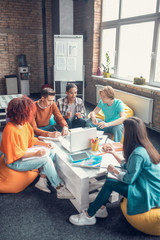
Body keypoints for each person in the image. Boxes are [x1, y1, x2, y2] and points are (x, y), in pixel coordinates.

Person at [69, 117, 160, 226]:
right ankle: (101, 208)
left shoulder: (138, 153)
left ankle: (88, 216)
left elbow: (128, 179)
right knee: (111, 177)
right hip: (147, 185)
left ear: (130, 133)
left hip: (149, 193)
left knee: (110, 182)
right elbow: (130, 166)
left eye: (124, 129)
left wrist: (115, 170)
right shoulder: (144, 146)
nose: (123, 131)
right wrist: (113, 153)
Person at [0, 96, 73, 199]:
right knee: (46, 160)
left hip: (22, 154)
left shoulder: (24, 124)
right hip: (14, 162)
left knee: (51, 152)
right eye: (29, 111)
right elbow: (16, 155)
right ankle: (59, 188)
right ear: (22, 113)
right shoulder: (10, 130)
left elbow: (31, 140)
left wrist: (45, 144)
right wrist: (36, 154)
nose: (32, 113)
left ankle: (42, 180)